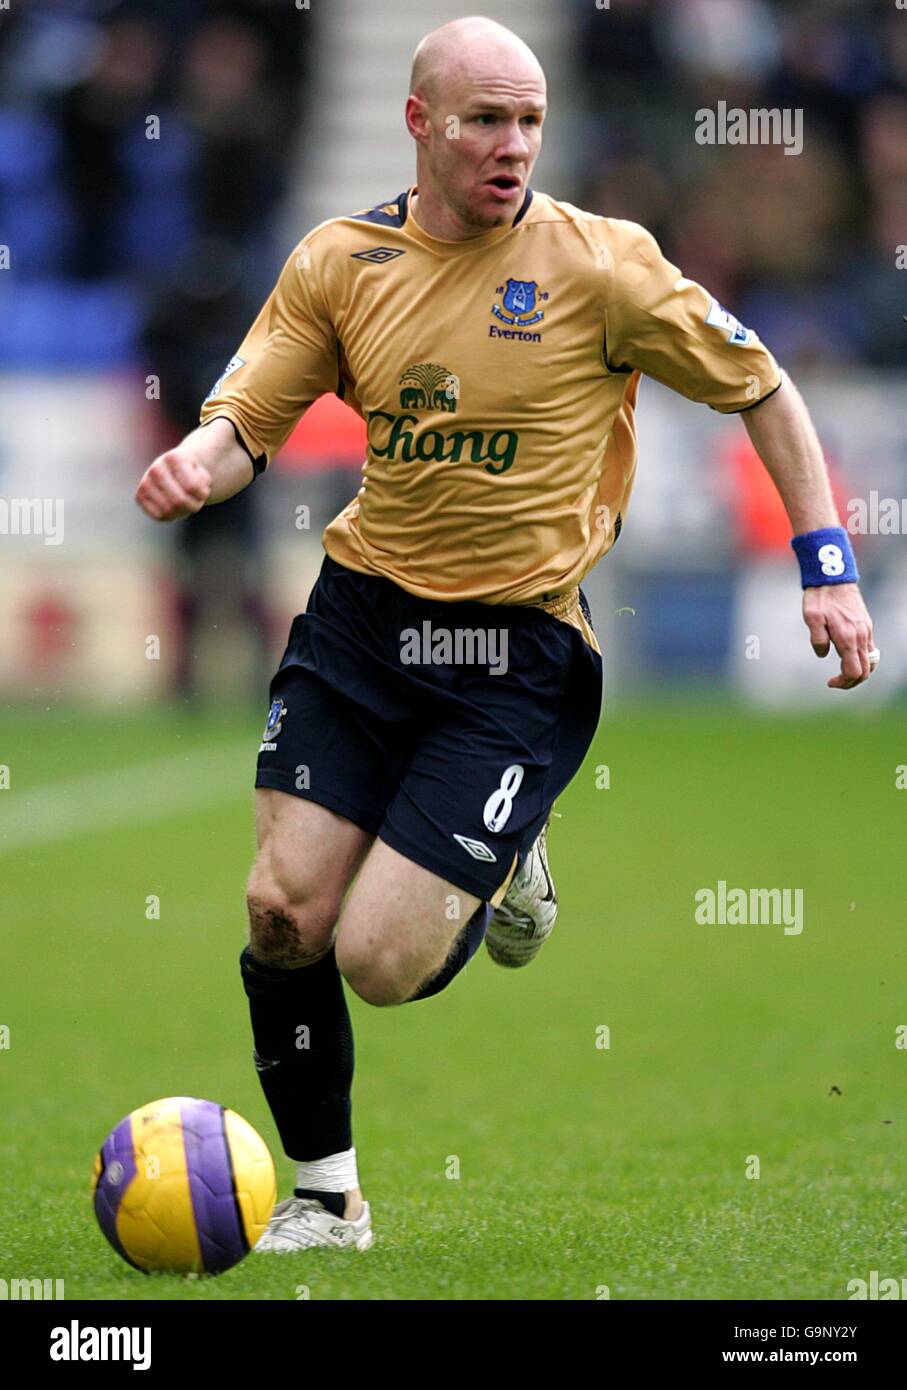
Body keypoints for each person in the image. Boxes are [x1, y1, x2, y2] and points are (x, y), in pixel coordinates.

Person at [134, 16, 878, 1253]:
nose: (512, 145)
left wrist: (826, 566)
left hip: (513, 657)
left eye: (528, 120)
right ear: (419, 122)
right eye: (485, 119)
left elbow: (764, 387)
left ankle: (508, 848)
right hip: (361, 624)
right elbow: (245, 418)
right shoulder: (339, 262)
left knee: (376, 960)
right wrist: (192, 468)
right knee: (280, 913)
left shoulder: (602, 264)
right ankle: (329, 1201)